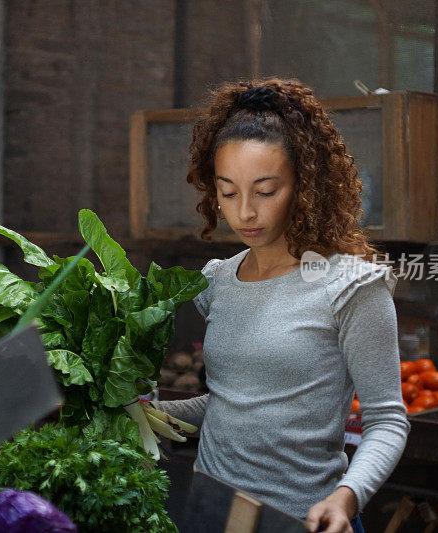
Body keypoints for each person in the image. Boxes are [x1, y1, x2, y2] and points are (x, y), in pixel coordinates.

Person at [151, 77, 410, 533]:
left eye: (265, 191)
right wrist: (155, 416)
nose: (244, 212)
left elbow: (387, 420)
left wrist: (345, 499)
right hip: (212, 514)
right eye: (228, 192)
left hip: (299, 520)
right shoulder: (218, 281)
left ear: (306, 185)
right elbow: (236, 404)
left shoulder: (352, 286)